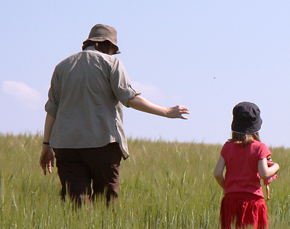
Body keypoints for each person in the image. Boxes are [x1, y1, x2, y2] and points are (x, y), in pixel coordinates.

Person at [38, 24, 190, 207]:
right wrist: (166, 112)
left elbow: (52, 110)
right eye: (112, 50)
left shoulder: (62, 67)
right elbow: (129, 97)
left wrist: (46, 145)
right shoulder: (112, 63)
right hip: (103, 143)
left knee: (76, 201)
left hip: (65, 146)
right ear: (105, 44)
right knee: (106, 202)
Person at [214, 102, 280, 229]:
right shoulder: (260, 147)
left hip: (230, 201)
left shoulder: (227, 147)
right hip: (253, 203)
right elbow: (264, 173)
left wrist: (228, 187)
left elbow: (217, 173)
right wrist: (276, 166)